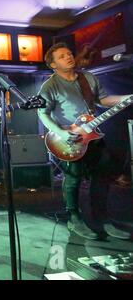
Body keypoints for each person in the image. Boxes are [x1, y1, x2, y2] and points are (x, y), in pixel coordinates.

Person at [37, 42, 131, 240]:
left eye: (69, 53)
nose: (69, 57)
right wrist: (61, 133)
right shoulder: (50, 85)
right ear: (53, 65)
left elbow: (102, 100)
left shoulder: (87, 78)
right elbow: (43, 114)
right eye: (62, 56)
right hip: (68, 139)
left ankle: (102, 218)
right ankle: (74, 218)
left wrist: (127, 97)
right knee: (73, 179)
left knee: (103, 176)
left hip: (93, 137)